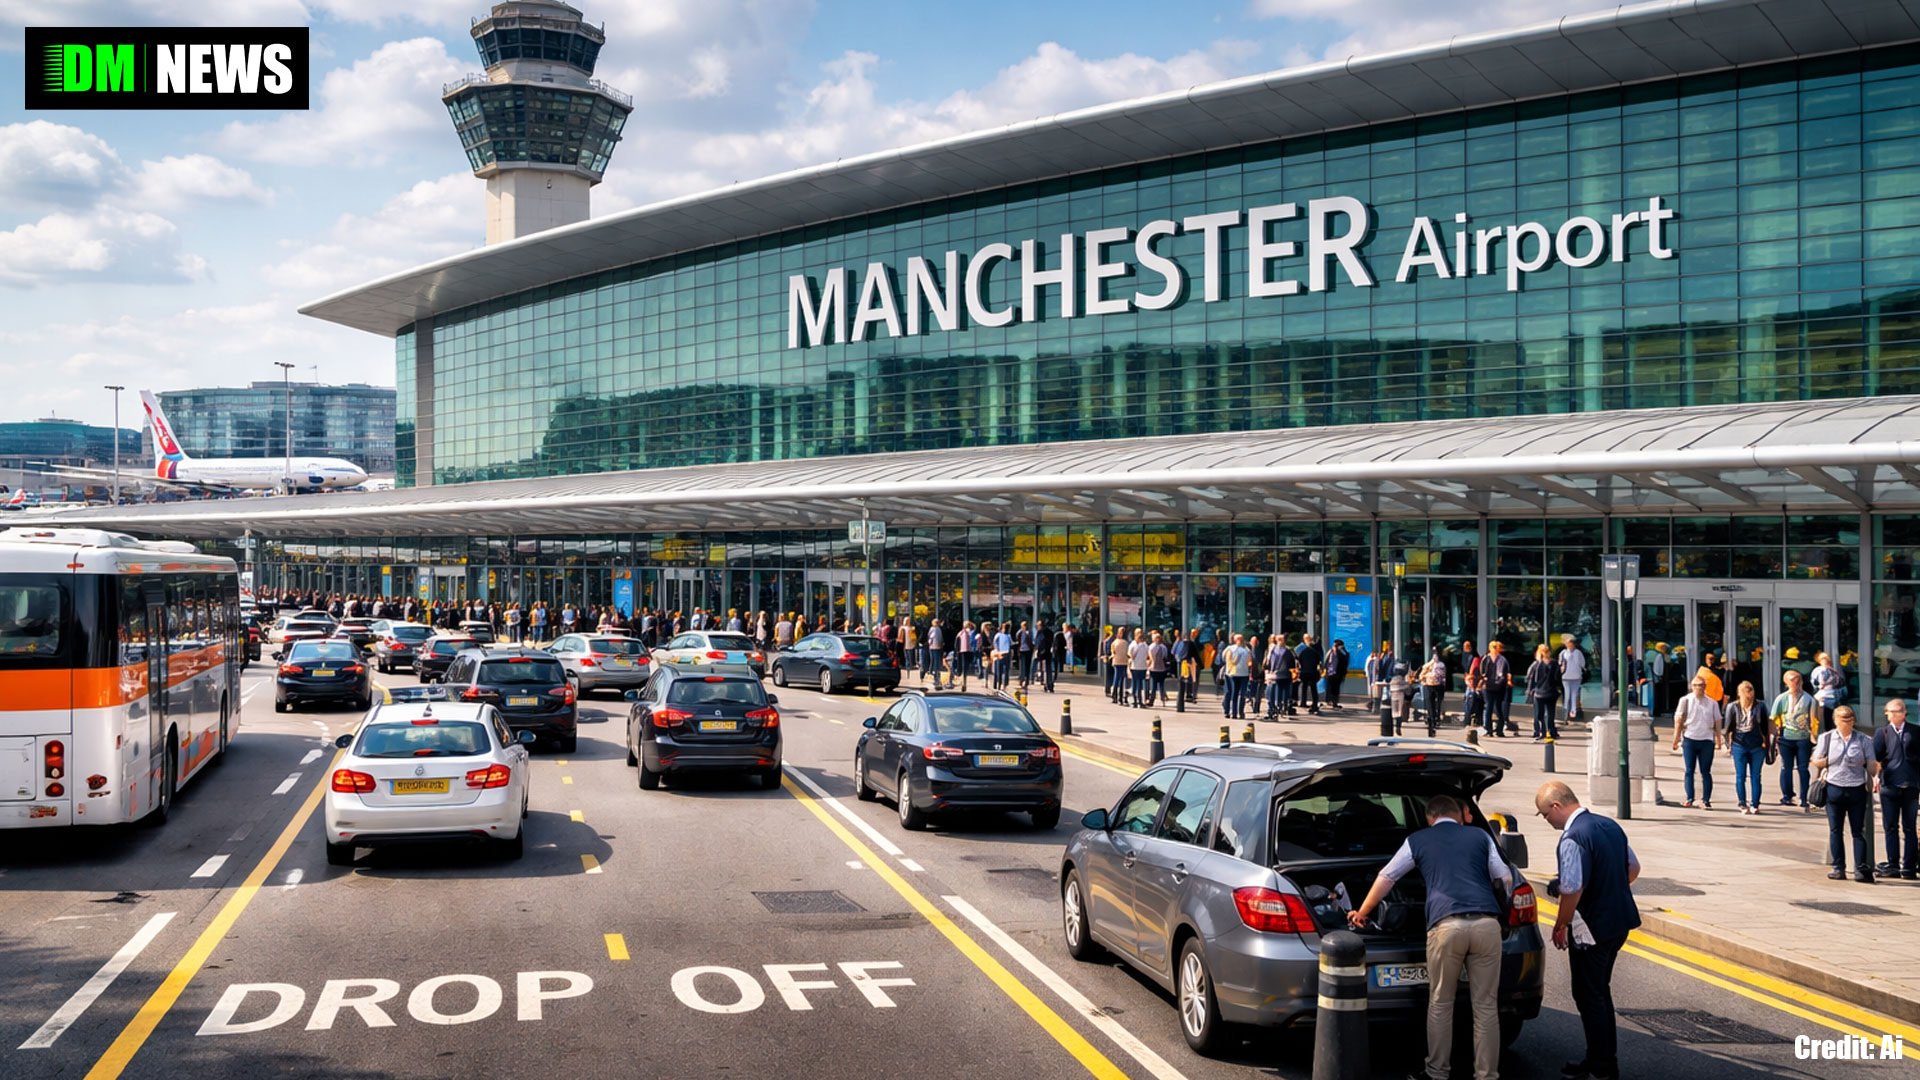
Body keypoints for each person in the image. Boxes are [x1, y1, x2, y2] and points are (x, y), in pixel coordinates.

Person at [1346, 793, 1510, 1080]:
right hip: (1486, 924)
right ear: (1458, 815)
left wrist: (1363, 911)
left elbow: (1388, 877)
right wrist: (1501, 910)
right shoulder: (1481, 837)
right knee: (1485, 1005)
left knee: (1441, 1002)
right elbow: (1504, 877)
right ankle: (1487, 1074)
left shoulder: (1418, 840)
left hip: (1446, 926)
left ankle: (1437, 1072)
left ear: (1430, 817)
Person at [1535, 781, 1641, 1080]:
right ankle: (1600, 1060)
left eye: (1544, 815)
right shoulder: (1608, 825)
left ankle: (1603, 1066)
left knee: (1588, 995)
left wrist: (1561, 923)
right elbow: (1633, 868)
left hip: (1591, 927)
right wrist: (1609, 888)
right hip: (1619, 922)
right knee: (1599, 992)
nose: (1547, 821)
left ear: (1556, 806)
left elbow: (1571, 886)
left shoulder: (1573, 836)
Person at [1813, 705, 1880, 882]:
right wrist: (1829, 760)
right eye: (1843, 718)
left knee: (1858, 831)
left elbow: (1872, 762)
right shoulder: (1827, 738)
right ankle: (1838, 867)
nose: (1846, 721)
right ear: (1835, 720)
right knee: (1835, 830)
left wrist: (1875, 769)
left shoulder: (1864, 739)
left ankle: (1860, 868)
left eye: (1849, 718)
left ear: (1854, 720)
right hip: (1834, 788)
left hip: (1856, 788)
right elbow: (1816, 761)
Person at [1873, 698, 1920, 879]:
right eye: (1889, 712)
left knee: (1909, 827)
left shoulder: (1915, 732)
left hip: (1910, 784)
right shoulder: (1882, 732)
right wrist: (1875, 776)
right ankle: (1893, 863)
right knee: (1890, 826)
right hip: (1890, 785)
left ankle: (1908, 866)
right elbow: (1876, 757)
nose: (1891, 715)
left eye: (1895, 712)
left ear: (1903, 713)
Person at [1672, 674, 1724, 809]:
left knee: (1705, 771)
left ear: (1705, 687)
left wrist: (1718, 740)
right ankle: (1690, 797)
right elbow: (1678, 720)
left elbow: (1717, 721)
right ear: (1691, 686)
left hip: (1706, 739)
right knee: (1689, 770)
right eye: (1695, 685)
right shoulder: (1685, 700)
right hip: (1690, 738)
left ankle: (1706, 799)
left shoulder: (1712, 703)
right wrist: (1676, 739)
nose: (1698, 688)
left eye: (1701, 685)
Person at [1722, 681, 1773, 815]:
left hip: (1757, 744)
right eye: (1745, 691)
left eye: (1750, 690)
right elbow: (1727, 727)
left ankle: (1755, 804)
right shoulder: (1733, 707)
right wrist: (1728, 745)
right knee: (1740, 776)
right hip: (1739, 743)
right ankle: (1742, 803)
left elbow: (1765, 726)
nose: (1748, 694)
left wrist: (1767, 743)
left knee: (1756, 776)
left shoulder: (1760, 706)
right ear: (1739, 693)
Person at [1772, 670, 1819, 810]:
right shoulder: (1781, 698)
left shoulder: (1809, 699)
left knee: (1803, 768)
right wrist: (1775, 737)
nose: (1795, 682)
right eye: (1792, 680)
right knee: (1786, 767)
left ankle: (1804, 797)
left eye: (1797, 679)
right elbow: (1774, 717)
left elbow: (1815, 720)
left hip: (1803, 738)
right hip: (1786, 738)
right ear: (1786, 682)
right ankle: (1787, 795)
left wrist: (1814, 736)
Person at [1526, 643, 1560, 742]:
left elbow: (1531, 678)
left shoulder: (1536, 665)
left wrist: (1530, 690)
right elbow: (1558, 678)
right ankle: (1551, 731)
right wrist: (1559, 689)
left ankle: (1540, 731)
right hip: (1551, 692)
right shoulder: (1554, 663)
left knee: (1539, 714)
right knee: (1550, 713)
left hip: (1539, 693)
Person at [1483, 641, 1515, 737]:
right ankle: (1488, 729)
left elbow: (1505, 673)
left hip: (1499, 687)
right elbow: (1482, 671)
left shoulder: (1502, 660)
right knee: (1488, 706)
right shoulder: (1486, 659)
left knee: (1498, 708)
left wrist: (1500, 682)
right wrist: (1484, 679)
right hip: (1488, 686)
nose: (1495, 651)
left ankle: (1499, 730)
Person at [1810, 652, 1846, 730]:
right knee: (1823, 719)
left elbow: (1839, 683)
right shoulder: (1819, 670)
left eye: (1826, 659)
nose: (1825, 661)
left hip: (1834, 697)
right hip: (1822, 698)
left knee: (1832, 718)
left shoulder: (1834, 671)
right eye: (1823, 659)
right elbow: (1815, 684)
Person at [1220, 633, 1252, 720]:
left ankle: (1240, 711)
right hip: (1231, 674)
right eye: (1238, 639)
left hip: (1243, 675)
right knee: (1231, 693)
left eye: (1241, 639)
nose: (1240, 641)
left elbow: (1250, 662)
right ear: (1234, 640)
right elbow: (1223, 658)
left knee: (1242, 694)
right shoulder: (1230, 649)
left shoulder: (1246, 650)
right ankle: (1230, 711)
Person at [1419, 647, 1448, 736]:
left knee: (1434, 703)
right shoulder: (1433, 664)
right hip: (1433, 685)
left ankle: (1434, 719)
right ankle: (1434, 719)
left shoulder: (1437, 664)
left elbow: (1442, 674)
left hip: (1434, 685)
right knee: (1435, 703)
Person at [1559, 636, 1586, 724]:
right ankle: (1567, 716)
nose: (1569, 646)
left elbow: (1582, 664)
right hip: (1567, 677)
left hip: (1574, 677)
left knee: (1573, 696)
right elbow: (1582, 664)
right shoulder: (1565, 653)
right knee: (1569, 697)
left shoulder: (1577, 653)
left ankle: (1571, 715)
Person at [1296, 633, 1324, 715]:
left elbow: (1299, 661)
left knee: (1304, 687)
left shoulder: (1302, 651)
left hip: (1304, 672)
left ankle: (1303, 702)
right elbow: (1318, 661)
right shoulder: (1315, 652)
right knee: (1313, 688)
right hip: (1312, 672)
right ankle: (1315, 703)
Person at [1127, 629, 1152, 708]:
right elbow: (1129, 655)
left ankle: (1138, 701)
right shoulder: (1138, 645)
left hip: (1139, 667)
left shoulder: (1140, 645)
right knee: (1137, 685)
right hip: (1139, 667)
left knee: (1138, 685)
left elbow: (1148, 655)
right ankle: (1137, 701)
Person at [1146, 630, 1170, 707]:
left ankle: (1151, 700)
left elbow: (1149, 657)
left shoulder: (1151, 647)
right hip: (1162, 668)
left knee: (1153, 686)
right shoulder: (1164, 647)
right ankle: (1163, 699)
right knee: (1161, 685)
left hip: (1153, 668)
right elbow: (1165, 657)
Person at [1325, 639, 1349, 709]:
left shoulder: (1342, 652)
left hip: (1338, 673)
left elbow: (1344, 659)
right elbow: (1327, 661)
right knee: (1331, 687)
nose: (1334, 646)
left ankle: (1334, 702)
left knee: (1335, 688)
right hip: (1331, 672)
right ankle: (1330, 701)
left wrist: (1337, 650)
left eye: (1336, 645)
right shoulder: (1331, 651)